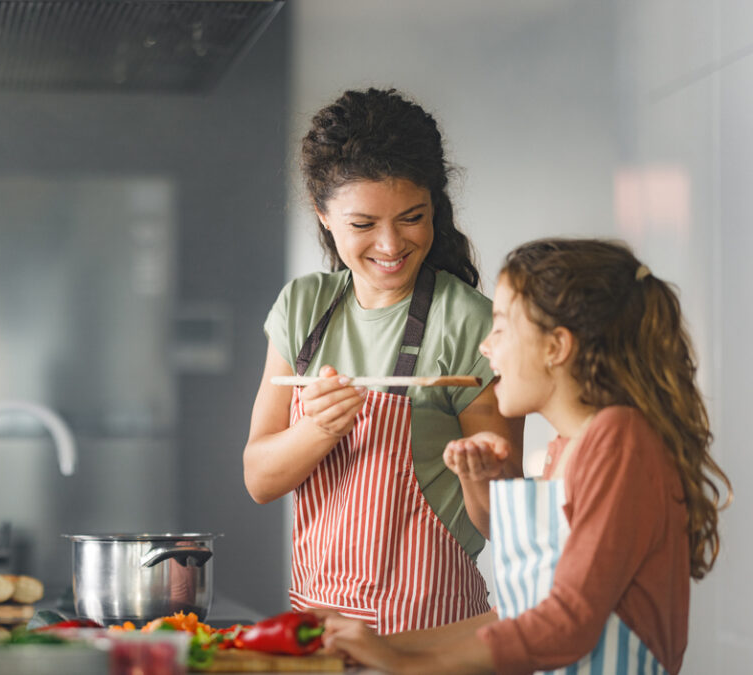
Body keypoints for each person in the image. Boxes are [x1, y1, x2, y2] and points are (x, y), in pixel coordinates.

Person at [322, 238, 733, 674]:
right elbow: (522, 616)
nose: (485, 346)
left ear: (556, 347)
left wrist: (404, 665)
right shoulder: (566, 448)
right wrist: (376, 645)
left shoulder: (619, 441)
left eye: (500, 325)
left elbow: (567, 622)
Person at [243, 88, 524, 634]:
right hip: (319, 623)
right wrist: (320, 429)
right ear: (324, 216)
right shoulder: (303, 307)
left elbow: (502, 522)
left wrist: (483, 476)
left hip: (432, 632)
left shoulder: (472, 322)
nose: (391, 245)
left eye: (412, 217)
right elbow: (259, 478)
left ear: (434, 208)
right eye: (363, 224)